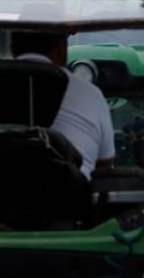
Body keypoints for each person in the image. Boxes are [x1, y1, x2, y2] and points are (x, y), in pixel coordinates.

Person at [7, 31, 116, 177]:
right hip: (71, 196)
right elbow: (104, 167)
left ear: (12, 48)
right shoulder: (91, 94)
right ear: (61, 48)